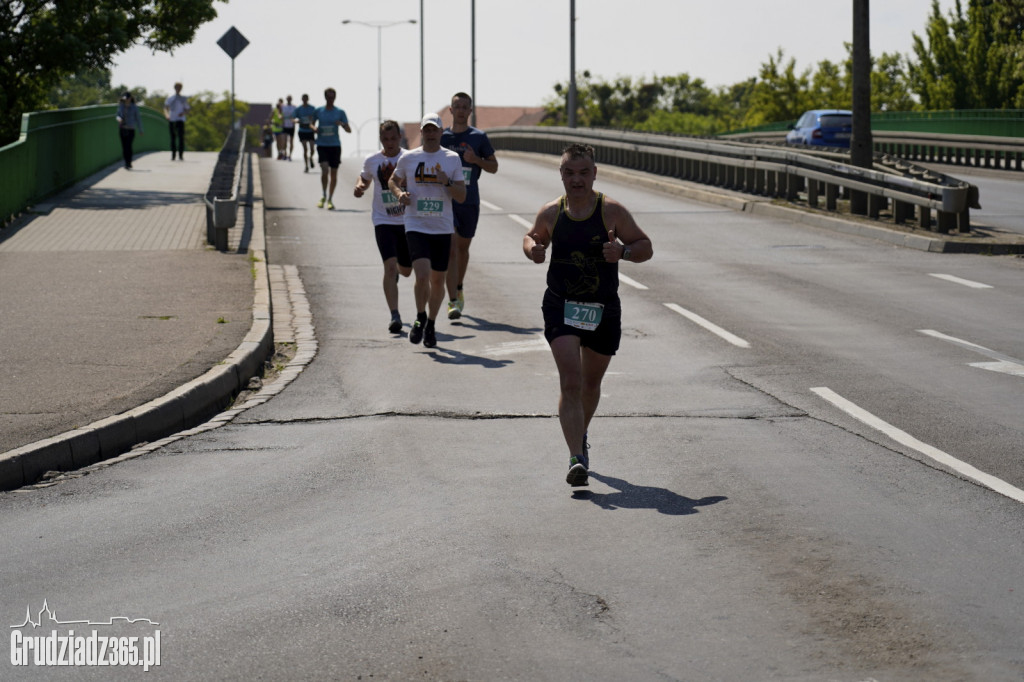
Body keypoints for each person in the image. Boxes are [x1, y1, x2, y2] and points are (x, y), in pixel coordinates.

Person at [522, 143, 653, 487]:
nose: (576, 180)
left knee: (591, 384)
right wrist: (534, 250)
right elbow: (532, 236)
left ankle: (580, 436)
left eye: (583, 172)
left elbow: (645, 247)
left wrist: (622, 251)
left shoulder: (611, 211)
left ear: (594, 173)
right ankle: (575, 458)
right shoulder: (552, 212)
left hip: (602, 308)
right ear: (561, 174)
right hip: (561, 305)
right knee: (571, 380)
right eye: (569, 172)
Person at [388, 113, 467, 349]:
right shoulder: (409, 158)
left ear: (441, 133)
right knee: (421, 275)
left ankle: (431, 323)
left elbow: (462, 196)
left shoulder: (451, 159)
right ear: (421, 133)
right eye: (427, 130)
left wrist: (447, 183)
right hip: (415, 224)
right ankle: (420, 315)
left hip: (442, 227)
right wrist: (400, 194)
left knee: (437, 280)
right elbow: (393, 180)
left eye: (435, 130)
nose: (431, 134)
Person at [441, 92, 498, 320]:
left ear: (470, 111)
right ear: (451, 110)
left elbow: (494, 167)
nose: (462, 110)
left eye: (466, 106)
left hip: (469, 201)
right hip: (446, 201)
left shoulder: (479, 137)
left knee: (463, 250)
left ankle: (459, 286)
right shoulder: (442, 138)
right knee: (451, 249)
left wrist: (476, 161)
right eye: (457, 106)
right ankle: (453, 300)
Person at [354, 120, 412, 334]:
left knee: (405, 271)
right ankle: (394, 315)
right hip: (383, 221)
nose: (389, 143)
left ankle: (399, 269)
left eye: (393, 138)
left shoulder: (409, 158)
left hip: (407, 222)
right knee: (388, 267)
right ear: (381, 139)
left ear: (399, 137)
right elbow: (364, 178)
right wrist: (359, 187)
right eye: (385, 139)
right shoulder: (372, 160)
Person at [312, 87, 352, 210]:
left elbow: (349, 130)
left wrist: (342, 124)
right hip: (322, 144)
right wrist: (314, 128)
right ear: (325, 97)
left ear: (335, 97)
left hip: (335, 145)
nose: (330, 99)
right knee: (324, 170)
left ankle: (330, 199)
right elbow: (311, 123)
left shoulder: (340, 112)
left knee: (333, 174)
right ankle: (323, 195)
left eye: (332, 97)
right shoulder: (319, 111)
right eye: (328, 97)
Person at [115, 92, 143, 170]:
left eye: (127, 98)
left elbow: (138, 119)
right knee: (124, 147)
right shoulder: (121, 106)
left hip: (131, 129)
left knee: (128, 146)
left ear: (130, 98)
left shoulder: (134, 107)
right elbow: (117, 115)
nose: (126, 100)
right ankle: (126, 162)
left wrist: (140, 130)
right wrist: (119, 119)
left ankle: (129, 162)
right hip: (122, 128)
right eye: (125, 99)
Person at [163, 82, 189, 161]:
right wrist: (167, 115)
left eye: (179, 88)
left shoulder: (183, 99)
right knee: (173, 138)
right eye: (177, 88)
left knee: (181, 138)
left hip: (180, 120)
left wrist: (183, 113)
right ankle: (173, 155)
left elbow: (187, 109)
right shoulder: (170, 98)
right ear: (175, 88)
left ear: (181, 89)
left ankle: (180, 155)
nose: (178, 89)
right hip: (172, 119)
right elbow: (165, 108)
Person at [292, 94, 318, 172]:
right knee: (305, 149)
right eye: (303, 99)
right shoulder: (299, 109)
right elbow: (292, 118)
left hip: (310, 131)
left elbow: (316, 118)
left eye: (306, 99)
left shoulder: (312, 108)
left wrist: (313, 125)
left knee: (312, 149)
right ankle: (306, 166)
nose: (305, 100)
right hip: (302, 131)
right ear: (302, 99)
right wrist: (297, 121)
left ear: (308, 99)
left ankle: (311, 158)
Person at [281, 95, 297, 160]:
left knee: (291, 141)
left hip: (291, 126)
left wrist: (294, 120)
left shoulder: (294, 107)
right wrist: (281, 118)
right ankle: (285, 154)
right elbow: (280, 113)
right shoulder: (283, 106)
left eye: (290, 99)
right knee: (284, 141)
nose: (289, 100)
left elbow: (296, 115)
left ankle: (290, 155)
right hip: (285, 125)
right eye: (288, 99)